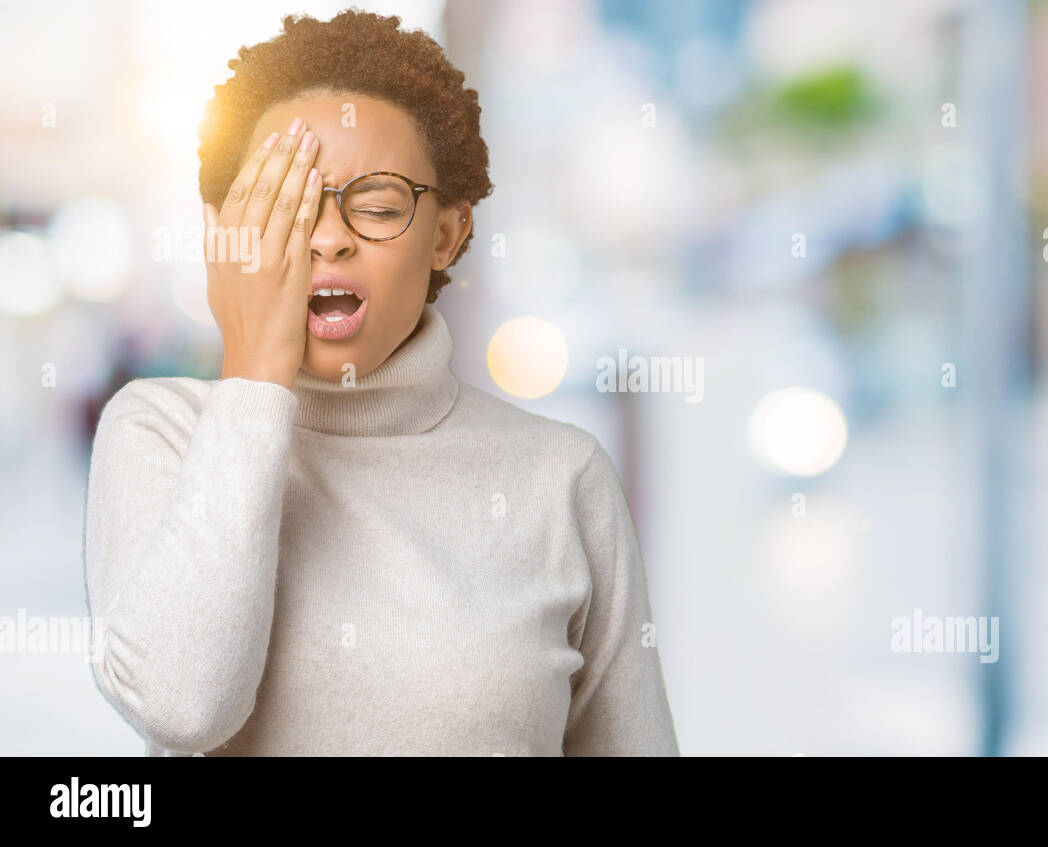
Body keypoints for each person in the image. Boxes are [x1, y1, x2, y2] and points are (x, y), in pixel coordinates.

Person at [81, 9, 679, 756]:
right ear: (221, 234)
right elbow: (182, 706)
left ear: (448, 234)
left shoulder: (563, 475)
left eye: (377, 206)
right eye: (286, 209)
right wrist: (255, 372)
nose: (329, 237)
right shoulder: (160, 431)